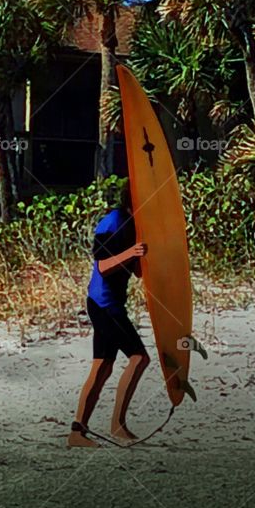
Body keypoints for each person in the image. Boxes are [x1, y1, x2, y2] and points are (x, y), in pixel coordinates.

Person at [69, 183, 150, 447]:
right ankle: (117, 426)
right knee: (139, 358)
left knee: (102, 366)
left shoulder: (134, 224)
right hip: (104, 304)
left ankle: (77, 433)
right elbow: (102, 266)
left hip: (111, 303)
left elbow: (136, 272)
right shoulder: (113, 221)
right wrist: (132, 252)